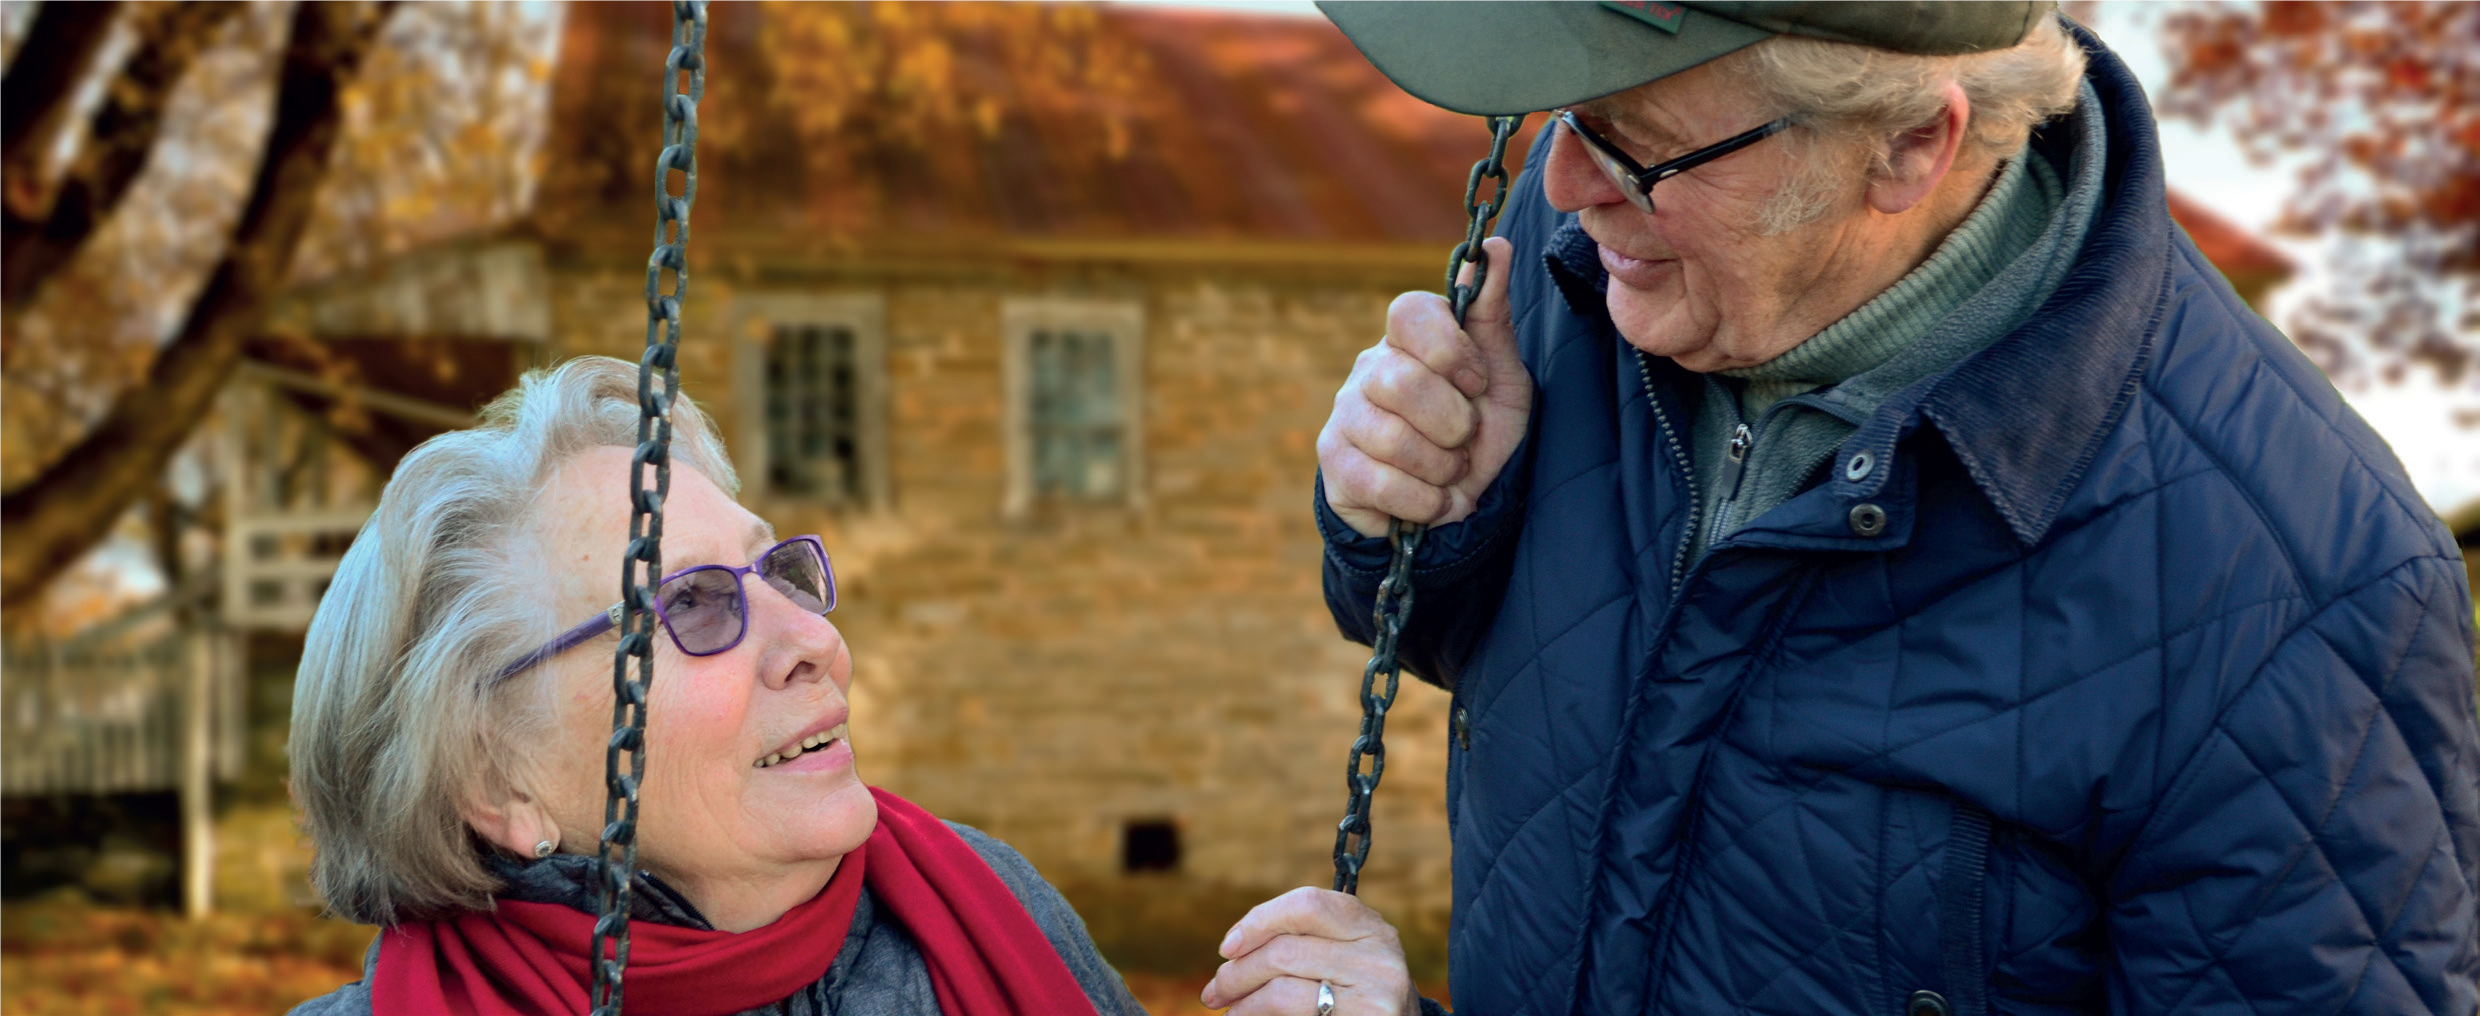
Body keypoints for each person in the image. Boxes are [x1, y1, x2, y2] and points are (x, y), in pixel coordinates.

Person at [1203, 1, 2480, 1014]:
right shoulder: (1590, 285)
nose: (1563, 187)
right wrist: (1415, 515)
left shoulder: (2297, 593)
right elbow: (1487, 652)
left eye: (1635, 143)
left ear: (1910, 146)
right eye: (1559, 118)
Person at [284, 356, 1148, 1016]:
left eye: (778, 571)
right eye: (692, 604)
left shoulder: (993, 910)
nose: (814, 640)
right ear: (495, 778)